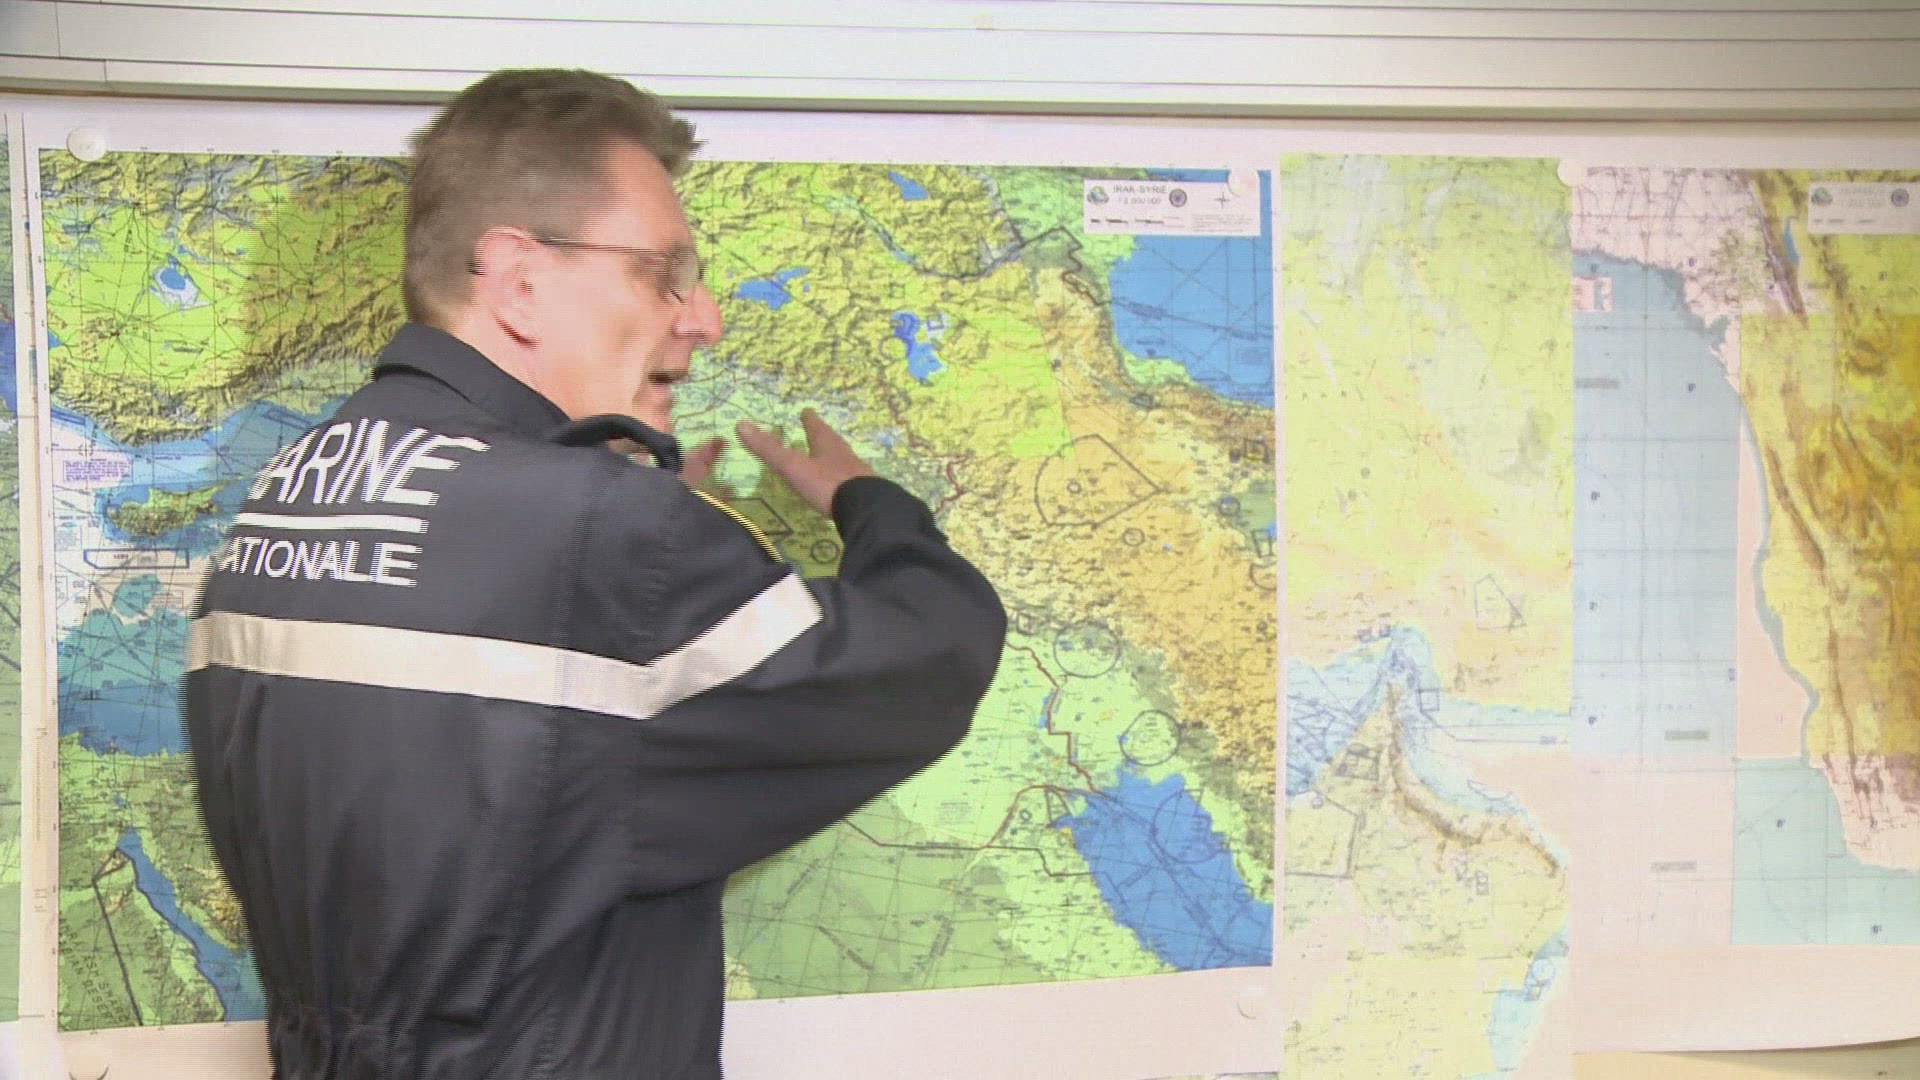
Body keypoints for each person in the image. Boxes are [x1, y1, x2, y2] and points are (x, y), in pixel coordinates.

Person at [183, 68, 1007, 1079]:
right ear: (519, 279)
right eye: (664, 274)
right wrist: (872, 506)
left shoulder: (290, 494)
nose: (703, 318)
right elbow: (931, 657)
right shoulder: (606, 536)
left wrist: (619, 546)